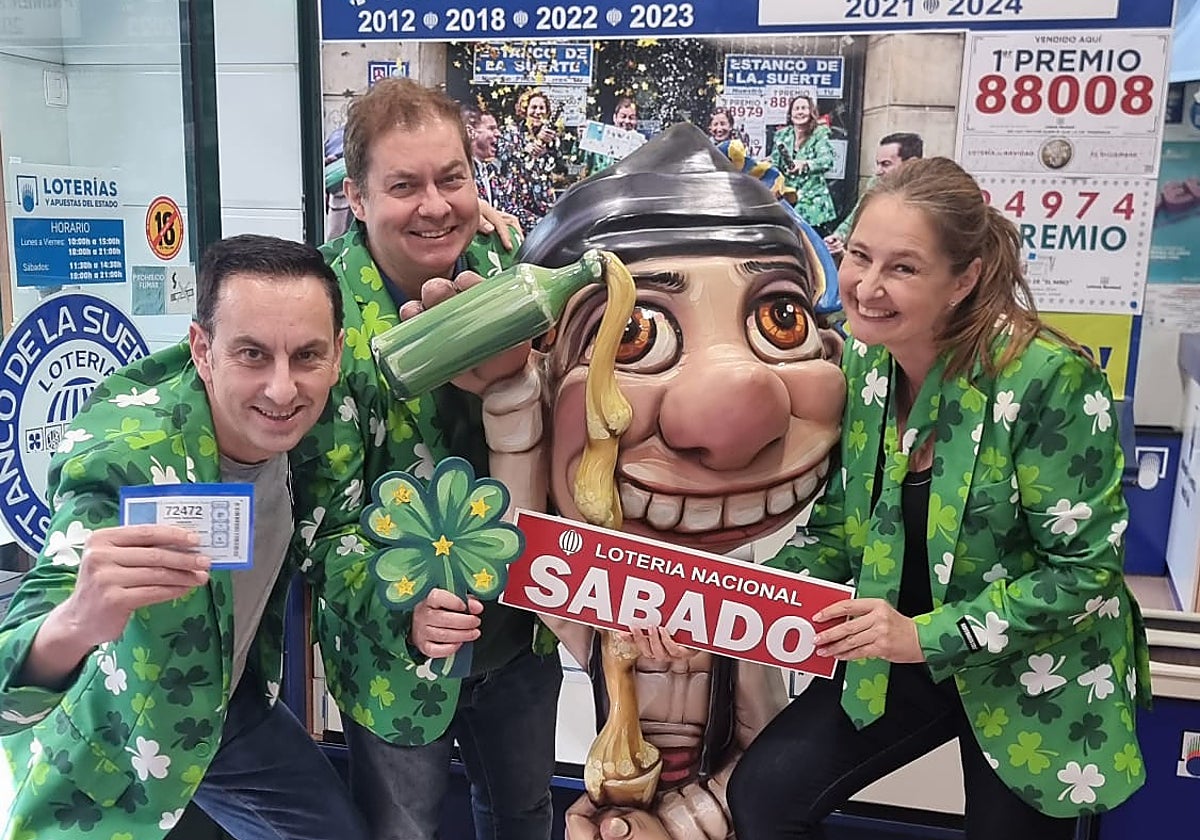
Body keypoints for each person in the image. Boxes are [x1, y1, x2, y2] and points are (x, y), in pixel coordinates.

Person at [726, 157, 1151, 839]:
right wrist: (733, 599)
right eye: (859, 255)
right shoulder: (867, 363)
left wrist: (921, 635)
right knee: (766, 796)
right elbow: (842, 529)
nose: (866, 286)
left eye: (903, 268)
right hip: (896, 655)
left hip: (1032, 670)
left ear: (966, 278)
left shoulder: (1050, 379)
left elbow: (1083, 575)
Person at [476, 123, 847, 840]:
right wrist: (511, 398)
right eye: (635, 334)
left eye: (780, 318)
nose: (729, 423)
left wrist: (693, 820)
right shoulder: (592, 600)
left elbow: (767, 750)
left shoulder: (746, 613)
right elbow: (522, 546)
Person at [0, 235, 369, 840]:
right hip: (116, 739)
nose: (282, 389)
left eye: (306, 356)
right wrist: (77, 620)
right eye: (251, 354)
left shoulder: (323, 412)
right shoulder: (127, 458)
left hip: (230, 705)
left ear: (335, 356)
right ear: (202, 349)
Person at [293, 77, 562, 840]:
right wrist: (400, 603)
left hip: (518, 630)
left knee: (523, 813)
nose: (436, 206)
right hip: (392, 655)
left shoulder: (515, 268)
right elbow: (320, 519)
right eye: (404, 186)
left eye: (452, 179)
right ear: (356, 196)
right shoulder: (319, 317)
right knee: (402, 831)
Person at [825, 131, 923, 256]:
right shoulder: (876, 182)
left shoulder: (927, 195)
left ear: (911, 163)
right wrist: (838, 237)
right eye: (877, 164)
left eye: (886, 164)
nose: (878, 171)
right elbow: (857, 216)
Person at [495, 88, 564, 230]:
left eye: (541, 108)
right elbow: (501, 155)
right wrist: (525, 148)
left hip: (543, 200)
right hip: (517, 199)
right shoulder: (512, 132)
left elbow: (561, 168)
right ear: (525, 110)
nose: (537, 112)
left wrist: (551, 147)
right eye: (533, 107)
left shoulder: (551, 137)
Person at [770, 94, 836, 230]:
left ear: (811, 112)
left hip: (812, 203)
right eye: (796, 108)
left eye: (804, 108)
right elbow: (775, 164)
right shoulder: (782, 135)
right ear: (790, 113)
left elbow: (827, 161)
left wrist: (805, 164)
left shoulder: (819, 133)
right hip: (787, 198)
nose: (800, 112)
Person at [580, 95, 639, 177]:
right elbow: (581, 160)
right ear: (615, 118)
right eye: (623, 116)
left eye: (631, 118)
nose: (627, 121)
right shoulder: (599, 137)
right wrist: (581, 138)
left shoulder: (642, 145)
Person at [463, 105, 504, 207]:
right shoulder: (463, 171)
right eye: (491, 128)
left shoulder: (492, 170)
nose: (498, 134)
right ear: (470, 131)